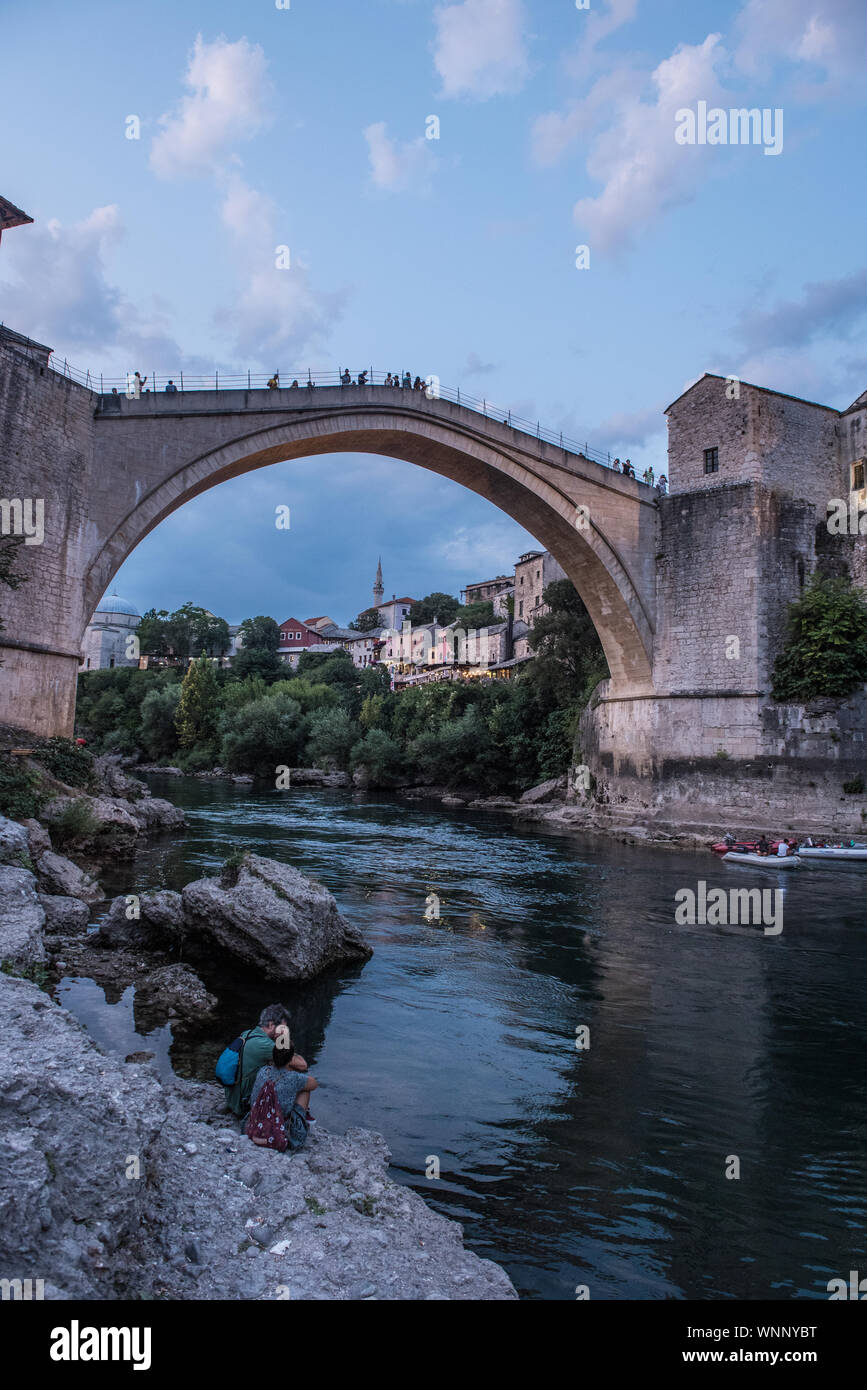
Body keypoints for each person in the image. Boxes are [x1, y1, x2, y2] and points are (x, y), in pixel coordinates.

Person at [223, 1003, 308, 1118]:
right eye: (282, 1028)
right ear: (271, 1025)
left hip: (232, 1099)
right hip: (243, 1106)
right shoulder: (265, 1045)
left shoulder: (248, 1033)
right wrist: (285, 1039)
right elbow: (302, 1065)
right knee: (296, 1075)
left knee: (278, 1063)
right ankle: (296, 1120)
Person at [247, 1030, 318, 1152]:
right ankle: (303, 1124)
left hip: (255, 1123)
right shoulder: (293, 1078)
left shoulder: (263, 1071)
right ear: (291, 1059)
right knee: (305, 1090)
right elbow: (314, 1084)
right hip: (278, 1128)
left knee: (289, 1090)